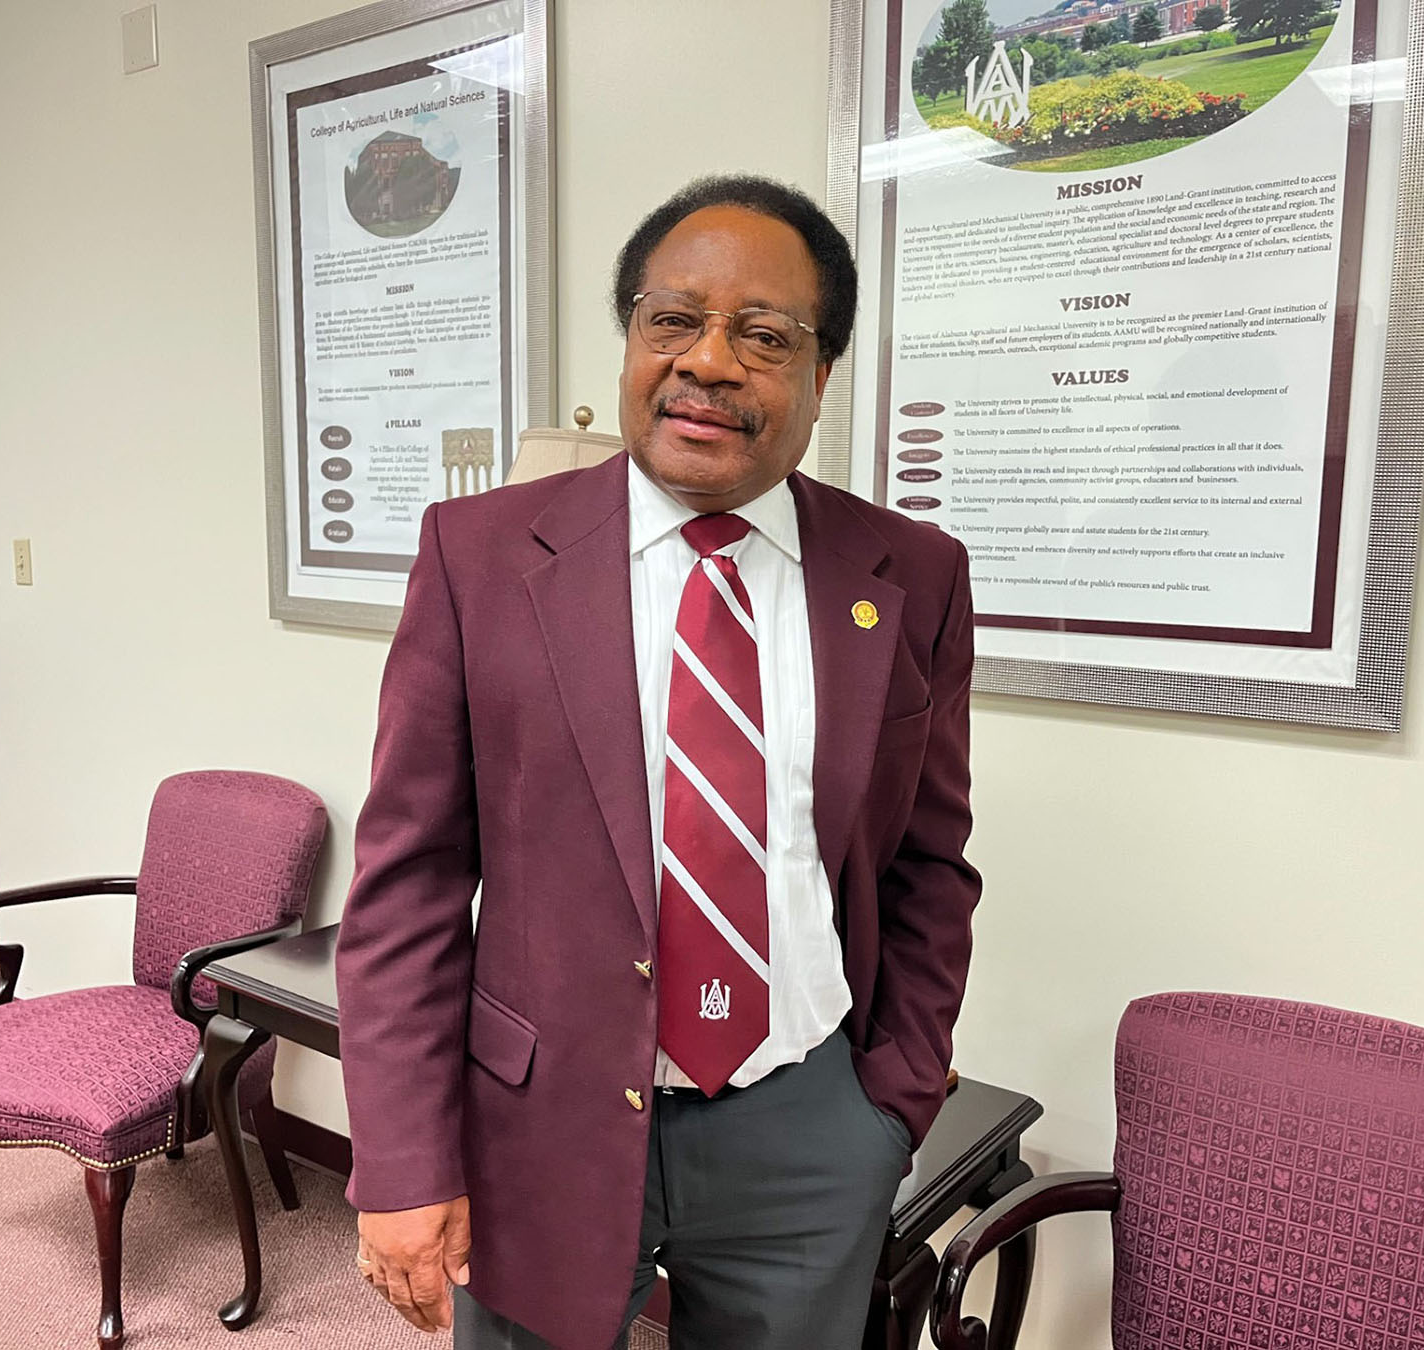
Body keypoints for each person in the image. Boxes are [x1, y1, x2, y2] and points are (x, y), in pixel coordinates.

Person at [336, 175, 981, 1350]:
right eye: (671, 321)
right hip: (537, 1118)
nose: (710, 362)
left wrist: (893, 1099)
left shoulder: (911, 574)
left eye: (765, 336)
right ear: (630, 339)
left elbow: (930, 864)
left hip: (806, 1125)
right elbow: (409, 883)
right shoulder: (480, 556)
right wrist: (400, 1157)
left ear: (821, 374)